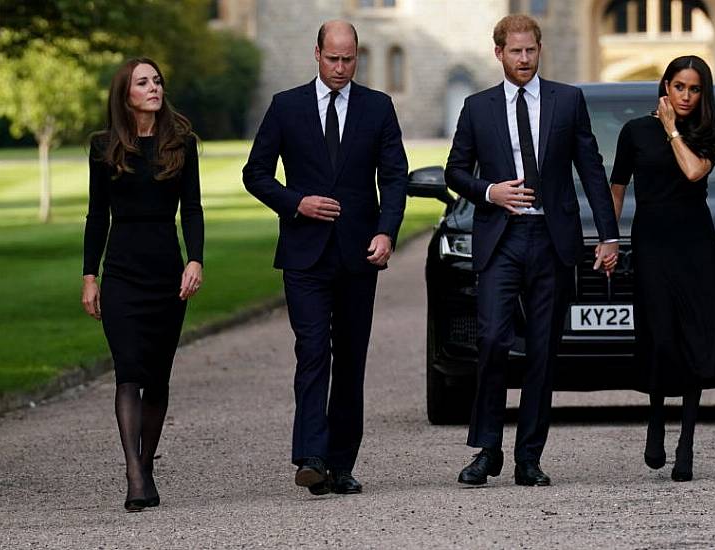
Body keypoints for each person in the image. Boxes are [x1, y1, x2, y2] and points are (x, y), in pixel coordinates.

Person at [445, 14, 620, 487]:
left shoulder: (568, 100)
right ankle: (487, 449)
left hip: (552, 239)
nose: (523, 59)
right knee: (493, 339)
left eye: (531, 50)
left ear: (540, 49)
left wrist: (608, 235)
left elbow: (591, 168)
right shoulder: (477, 107)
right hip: (501, 238)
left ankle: (529, 457)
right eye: (515, 51)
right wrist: (490, 192)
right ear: (498, 52)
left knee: (543, 350)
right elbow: (454, 172)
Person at [242, 20, 408, 496]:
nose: (340, 68)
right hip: (304, 255)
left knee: (351, 360)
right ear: (316, 53)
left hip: (359, 254)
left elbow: (394, 177)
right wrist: (297, 202)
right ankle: (311, 455)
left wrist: (386, 232)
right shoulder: (286, 106)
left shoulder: (378, 108)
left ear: (358, 57)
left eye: (349, 59)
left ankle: (340, 464)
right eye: (332, 58)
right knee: (312, 350)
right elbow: (255, 174)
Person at [81, 58, 204, 511]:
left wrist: (195, 260)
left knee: (157, 377)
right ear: (125, 93)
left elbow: (192, 208)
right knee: (129, 371)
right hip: (122, 274)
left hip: (166, 274)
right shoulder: (103, 147)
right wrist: (89, 275)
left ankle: (146, 465)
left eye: (157, 80)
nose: (154, 87)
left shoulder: (181, 143)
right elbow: (97, 216)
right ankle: (135, 476)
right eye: (143, 82)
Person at [608, 55, 715, 482]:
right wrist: (609, 238)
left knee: (694, 337)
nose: (686, 95)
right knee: (660, 337)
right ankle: (657, 419)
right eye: (679, 86)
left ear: (703, 93)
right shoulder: (634, 132)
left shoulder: (711, 134)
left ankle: (687, 444)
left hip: (694, 244)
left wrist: (673, 131)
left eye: (694, 89)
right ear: (665, 85)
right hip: (652, 244)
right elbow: (618, 188)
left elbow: (694, 171)